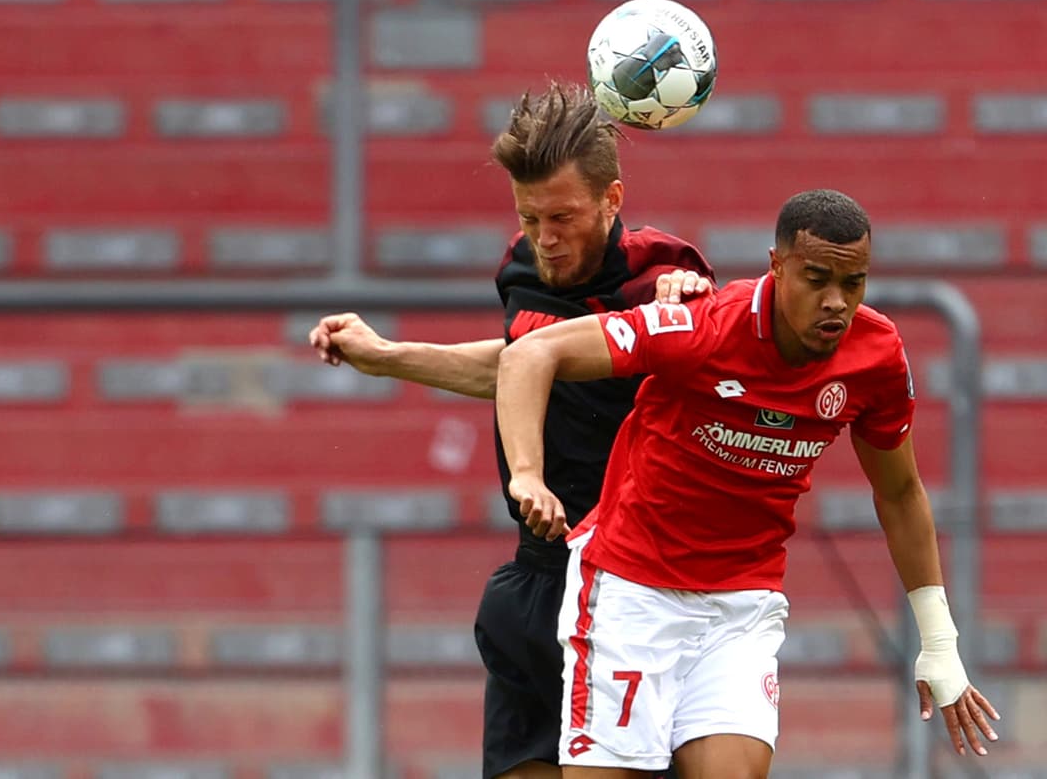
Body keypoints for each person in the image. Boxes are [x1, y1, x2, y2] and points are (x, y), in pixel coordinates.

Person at [493, 188, 1001, 777]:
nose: (836, 302)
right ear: (777, 265)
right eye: (816, 279)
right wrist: (527, 474)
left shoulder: (876, 354)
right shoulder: (703, 326)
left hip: (741, 606)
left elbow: (900, 492)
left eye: (853, 283)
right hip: (632, 594)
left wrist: (938, 640)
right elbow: (530, 355)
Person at [308, 82, 714, 779]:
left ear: (611, 200)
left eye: (563, 216)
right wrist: (387, 358)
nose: (546, 237)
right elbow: (522, 364)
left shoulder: (664, 276)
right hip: (536, 578)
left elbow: (712, 363)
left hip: (635, 590)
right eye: (530, 217)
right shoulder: (522, 270)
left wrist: (689, 308)